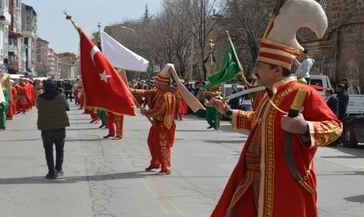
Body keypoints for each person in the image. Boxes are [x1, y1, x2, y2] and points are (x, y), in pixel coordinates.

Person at [208, 1, 342, 217]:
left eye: (260, 65)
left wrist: (305, 127)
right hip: (254, 183)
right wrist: (226, 111)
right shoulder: (268, 94)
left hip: (286, 185)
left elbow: (335, 128)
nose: (255, 70)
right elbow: (257, 123)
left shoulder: (304, 93)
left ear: (277, 69)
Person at [130, 64, 178, 175]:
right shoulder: (157, 90)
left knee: (163, 146)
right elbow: (146, 92)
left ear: (163, 83)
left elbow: (159, 110)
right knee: (151, 143)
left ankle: (166, 167)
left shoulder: (168, 95)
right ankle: (155, 163)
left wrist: (146, 112)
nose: (155, 83)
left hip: (164, 125)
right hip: (156, 124)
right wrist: (131, 90)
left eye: (158, 81)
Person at [36, 80, 70, 179]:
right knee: (60, 149)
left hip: (46, 128)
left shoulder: (40, 98)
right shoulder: (61, 96)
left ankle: (51, 172)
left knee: (48, 151)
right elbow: (67, 107)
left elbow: (38, 107)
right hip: (60, 127)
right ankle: (58, 169)